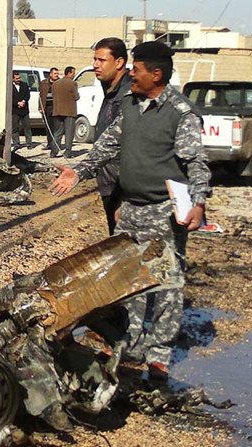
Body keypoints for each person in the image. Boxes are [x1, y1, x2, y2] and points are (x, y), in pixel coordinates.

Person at [49, 41, 210, 379]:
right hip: (131, 208)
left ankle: (159, 355)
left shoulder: (180, 113)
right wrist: (79, 170)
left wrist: (198, 202)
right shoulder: (131, 105)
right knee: (125, 281)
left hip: (165, 211)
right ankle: (126, 341)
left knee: (166, 284)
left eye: (136, 69)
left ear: (157, 74)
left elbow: (195, 161)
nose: (131, 74)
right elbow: (108, 144)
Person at [92, 37, 132, 234]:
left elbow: (132, 145)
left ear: (119, 62)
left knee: (127, 243)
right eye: (95, 59)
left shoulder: (128, 94)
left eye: (101, 60)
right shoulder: (111, 89)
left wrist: (126, 197)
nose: (95, 65)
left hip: (123, 183)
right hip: (110, 180)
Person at [50, 66, 80, 158]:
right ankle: (67, 153)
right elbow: (76, 97)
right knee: (69, 133)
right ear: (70, 73)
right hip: (69, 111)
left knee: (57, 133)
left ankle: (53, 152)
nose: (74, 75)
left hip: (57, 110)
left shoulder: (55, 84)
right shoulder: (72, 83)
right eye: (73, 73)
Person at [39, 67, 60, 146]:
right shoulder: (44, 83)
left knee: (56, 127)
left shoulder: (59, 82)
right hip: (46, 108)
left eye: (57, 74)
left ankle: (55, 144)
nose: (56, 75)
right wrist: (40, 108)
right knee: (48, 127)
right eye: (55, 74)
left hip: (56, 108)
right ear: (50, 74)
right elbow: (41, 96)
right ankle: (49, 144)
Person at [11, 71, 32, 147]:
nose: (18, 79)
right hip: (15, 110)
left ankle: (29, 143)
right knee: (15, 128)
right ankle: (16, 143)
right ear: (13, 79)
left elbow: (27, 95)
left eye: (19, 77)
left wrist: (23, 101)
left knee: (27, 127)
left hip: (24, 110)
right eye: (16, 78)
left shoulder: (24, 85)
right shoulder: (10, 87)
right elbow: (10, 98)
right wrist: (17, 103)